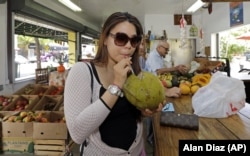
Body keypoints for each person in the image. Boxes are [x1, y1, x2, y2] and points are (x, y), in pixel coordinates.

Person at [64, 12, 163, 156]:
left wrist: (143, 112)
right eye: (121, 38)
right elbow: (77, 134)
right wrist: (116, 86)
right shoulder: (82, 71)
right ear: (105, 39)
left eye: (134, 40)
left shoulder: (133, 72)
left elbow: (126, 117)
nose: (129, 46)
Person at [145, 40, 189, 145]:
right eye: (166, 49)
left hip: (158, 85)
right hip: (152, 87)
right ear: (159, 47)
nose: (167, 51)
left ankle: (153, 136)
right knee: (154, 111)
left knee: (157, 110)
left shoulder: (159, 56)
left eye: (168, 49)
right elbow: (158, 71)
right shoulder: (153, 57)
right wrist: (175, 68)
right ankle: (151, 137)